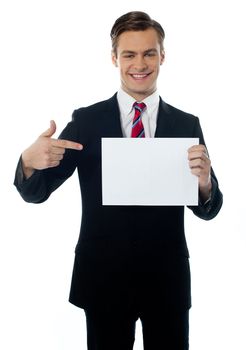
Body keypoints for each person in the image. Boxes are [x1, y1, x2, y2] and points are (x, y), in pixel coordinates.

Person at [14, 11, 223, 350]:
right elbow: (37, 192)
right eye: (129, 54)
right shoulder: (87, 121)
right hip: (103, 279)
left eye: (149, 53)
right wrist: (27, 162)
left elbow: (209, 208)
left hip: (166, 280)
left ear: (162, 56)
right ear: (114, 58)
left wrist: (204, 184)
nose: (139, 64)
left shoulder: (187, 124)